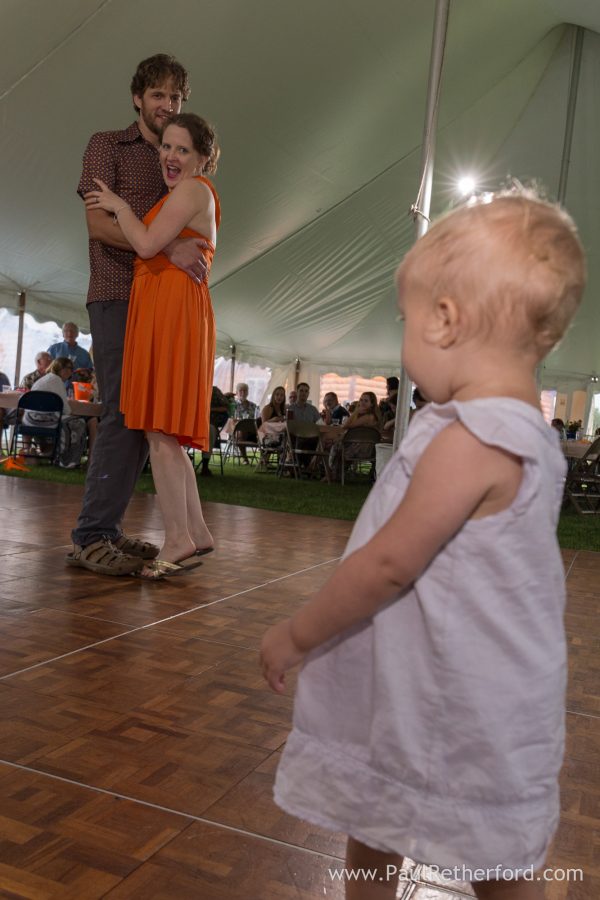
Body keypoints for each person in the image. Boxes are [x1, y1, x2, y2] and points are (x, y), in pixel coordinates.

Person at [260, 192, 586, 899]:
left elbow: (385, 565)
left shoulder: (473, 439)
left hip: (458, 701)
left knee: (482, 858)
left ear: (445, 321)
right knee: (408, 822)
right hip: (445, 680)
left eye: (405, 321)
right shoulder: (510, 429)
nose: (405, 341)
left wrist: (298, 632)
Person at [69, 54, 208, 577]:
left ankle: (107, 528)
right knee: (124, 415)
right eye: (158, 95)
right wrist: (165, 250)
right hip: (116, 294)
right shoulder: (108, 146)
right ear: (137, 98)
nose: (166, 105)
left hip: (161, 306)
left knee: (147, 417)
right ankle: (90, 535)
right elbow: (99, 227)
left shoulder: (178, 157)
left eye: (175, 98)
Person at [21, 357, 89, 467]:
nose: (70, 371)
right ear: (58, 368)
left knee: (67, 420)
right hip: (46, 421)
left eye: (71, 368)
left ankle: (43, 454)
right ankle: (67, 460)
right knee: (79, 422)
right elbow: (66, 409)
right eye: (67, 368)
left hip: (29, 420)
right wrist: (75, 414)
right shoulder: (57, 380)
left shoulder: (44, 379)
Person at [328, 391, 382, 480]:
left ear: (372, 404)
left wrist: (356, 412)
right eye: (361, 400)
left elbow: (346, 426)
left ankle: (330, 474)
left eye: (366, 401)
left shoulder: (368, 417)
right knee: (334, 443)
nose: (362, 403)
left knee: (333, 444)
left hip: (362, 449)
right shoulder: (371, 416)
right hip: (363, 448)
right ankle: (333, 474)